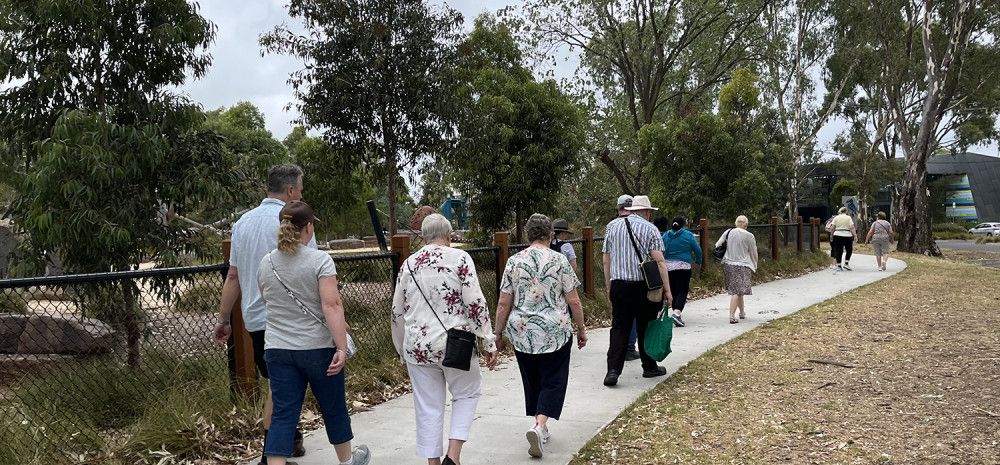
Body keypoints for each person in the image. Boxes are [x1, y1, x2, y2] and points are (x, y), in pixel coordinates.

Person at [213, 164, 317, 463]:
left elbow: (233, 276)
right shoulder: (296, 220)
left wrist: (223, 319)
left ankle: (289, 440)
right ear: (290, 191)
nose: (301, 193)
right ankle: (271, 452)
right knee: (282, 386)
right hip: (290, 317)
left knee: (279, 383)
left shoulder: (242, 224)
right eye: (300, 189)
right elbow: (312, 266)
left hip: (255, 318)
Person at [254, 201, 369, 465]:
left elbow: (266, 299)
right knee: (333, 407)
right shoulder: (320, 260)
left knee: (283, 414)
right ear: (308, 228)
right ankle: (346, 461)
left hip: (278, 349)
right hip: (318, 349)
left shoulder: (266, 262)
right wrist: (341, 347)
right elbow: (332, 305)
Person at [391, 214, 499, 465]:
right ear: (449, 236)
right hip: (455, 343)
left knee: (428, 406)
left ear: (423, 236)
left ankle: (433, 462)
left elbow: (397, 310)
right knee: (467, 393)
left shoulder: (408, 264)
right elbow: (475, 303)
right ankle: (454, 455)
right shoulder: (460, 258)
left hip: (417, 347)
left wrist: (400, 348)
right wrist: (488, 340)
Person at [494, 214, 588, 459]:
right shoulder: (559, 260)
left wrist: (498, 333)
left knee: (532, 378)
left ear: (527, 235)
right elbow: (573, 300)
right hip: (554, 330)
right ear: (550, 235)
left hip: (523, 331)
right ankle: (539, 424)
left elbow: (504, 302)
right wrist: (581, 329)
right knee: (554, 380)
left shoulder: (514, 261)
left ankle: (540, 425)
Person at [601, 195, 672, 387]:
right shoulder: (651, 229)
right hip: (644, 286)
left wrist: (609, 285)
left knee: (619, 327)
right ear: (647, 212)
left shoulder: (612, 227)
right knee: (645, 326)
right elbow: (660, 262)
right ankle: (649, 366)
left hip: (619, 284)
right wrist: (667, 290)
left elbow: (606, 259)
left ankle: (613, 370)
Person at [614, 195, 641, 362]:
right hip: (638, 278)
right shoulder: (643, 226)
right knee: (635, 315)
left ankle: (619, 349)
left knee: (619, 317)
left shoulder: (611, 226)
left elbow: (605, 257)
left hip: (617, 279)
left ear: (618, 208)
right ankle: (630, 348)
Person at [716, 216, 758, 324]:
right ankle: (731, 316)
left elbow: (718, 244)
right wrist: (755, 264)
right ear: (746, 224)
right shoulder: (749, 236)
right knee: (737, 291)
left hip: (729, 264)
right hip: (743, 265)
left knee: (739, 291)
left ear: (736, 223)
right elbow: (753, 252)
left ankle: (742, 312)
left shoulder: (728, 232)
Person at [662, 217, 702, 327]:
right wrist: (698, 261)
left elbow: (660, 249)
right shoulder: (688, 235)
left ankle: (675, 313)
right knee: (682, 290)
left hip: (667, 267)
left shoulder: (666, 235)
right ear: (683, 225)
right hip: (683, 266)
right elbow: (697, 250)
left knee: (673, 290)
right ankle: (677, 312)